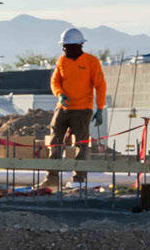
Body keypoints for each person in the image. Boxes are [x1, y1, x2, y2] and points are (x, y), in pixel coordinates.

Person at [44, 27, 107, 189]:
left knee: (82, 144)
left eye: (69, 47)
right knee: (55, 141)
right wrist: (59, 95)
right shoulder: (62, 61)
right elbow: (55, 81)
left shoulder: (91, 62)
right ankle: (51, 178)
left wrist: (99, 109)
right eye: (64, 47)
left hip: (82, 109)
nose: (65, 50)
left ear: (79, 46)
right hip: (63, 108)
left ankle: (79, 179)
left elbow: (100, 86)